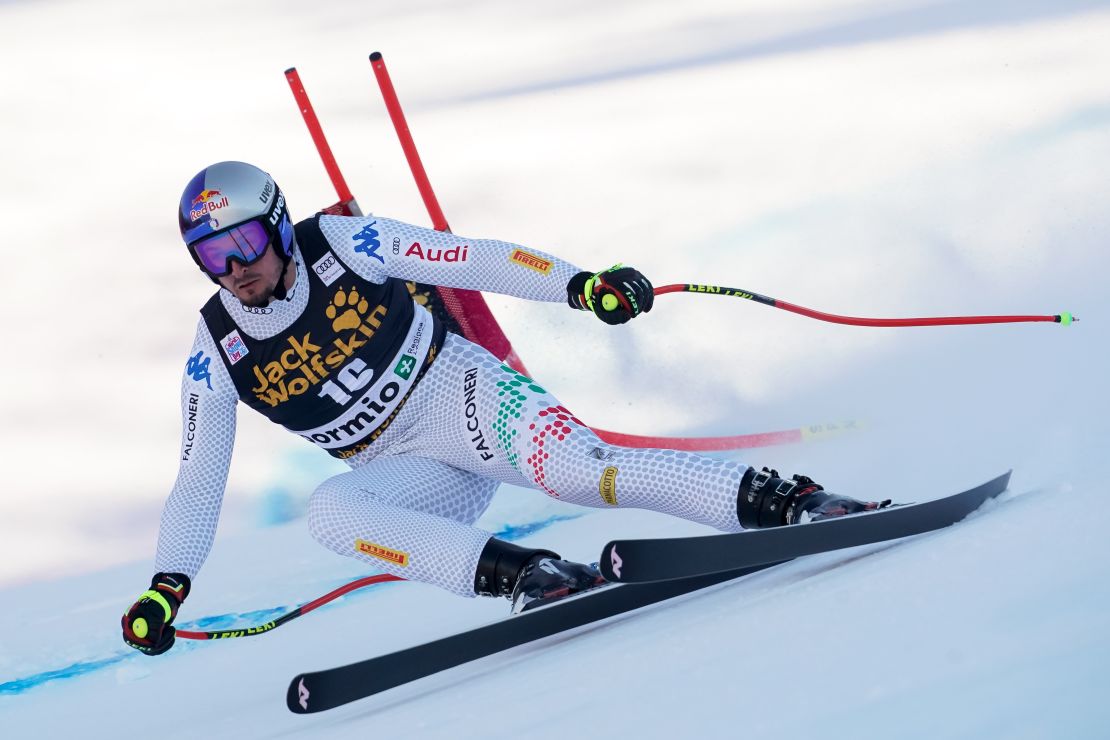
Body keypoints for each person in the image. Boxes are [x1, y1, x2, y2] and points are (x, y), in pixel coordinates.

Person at [121, 161, 888, 656]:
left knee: (578, 473)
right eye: (212, 257)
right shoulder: (216, 346)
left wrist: (582, 286)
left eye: (245, 242)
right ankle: (530, 575)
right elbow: (197, 476)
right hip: (401, 466)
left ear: (279, 224)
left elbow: (472, 256)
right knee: (332, 515)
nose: (237, 268)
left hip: (459, 392)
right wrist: (169, 585)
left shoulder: (342, 243)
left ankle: (787, 502)